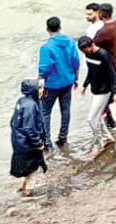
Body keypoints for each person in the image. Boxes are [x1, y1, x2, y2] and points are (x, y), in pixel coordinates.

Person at [37, 17, 80, 150]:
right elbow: (76, 62)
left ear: (47, 29)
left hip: (51, 85)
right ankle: (63, 138)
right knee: (65, 110)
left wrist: (40, 87)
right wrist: (76, 79)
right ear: (60, 27)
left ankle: (47, 143)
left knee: (45, 113)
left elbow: (44, 69)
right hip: (67, 81)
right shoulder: (71, 43)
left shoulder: (46, 47)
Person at [77, 35, 116, 155]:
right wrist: (84, 86)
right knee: (98, 117)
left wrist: (115, 93)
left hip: (104, 91)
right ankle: (108, 137)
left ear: (91, 45)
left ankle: (98, 144)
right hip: (95, 90)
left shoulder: (103, 55)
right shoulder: (88, 54)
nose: (84, 53)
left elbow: (112, 75)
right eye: (82, 51)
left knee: (91, 119)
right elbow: (91, 71)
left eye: (85, 50)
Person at [10, 80, 48, 196]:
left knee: (27, 168)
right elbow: (30, 128)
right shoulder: (31, 106)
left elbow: (13, 122)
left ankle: (22, 188)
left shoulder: (21, 101)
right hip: (29, 145)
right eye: (40, 89)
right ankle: (28, 193)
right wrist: (38, 143)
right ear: (34, 91)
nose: (42, 91)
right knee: (33, 170)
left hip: (19, 143)